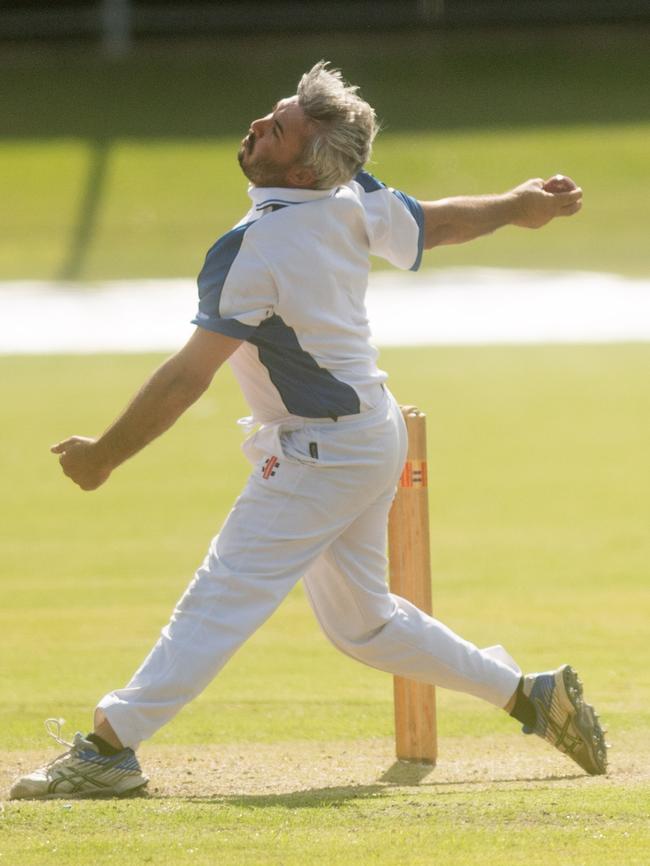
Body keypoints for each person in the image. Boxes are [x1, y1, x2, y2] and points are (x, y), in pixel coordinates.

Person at [10, 61, 606, 800]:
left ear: (302, 166)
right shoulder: (348, 193)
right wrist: (517, 206)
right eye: (272, 114)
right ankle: (532, 696)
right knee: (367, 626)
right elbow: (432, 224)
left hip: (322, 450)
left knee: (222, 594)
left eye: (279, 127)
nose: (260, 125)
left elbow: (187, 376)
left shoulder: (254, 245)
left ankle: (108, 746)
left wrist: (104, 456)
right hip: (366, 434)